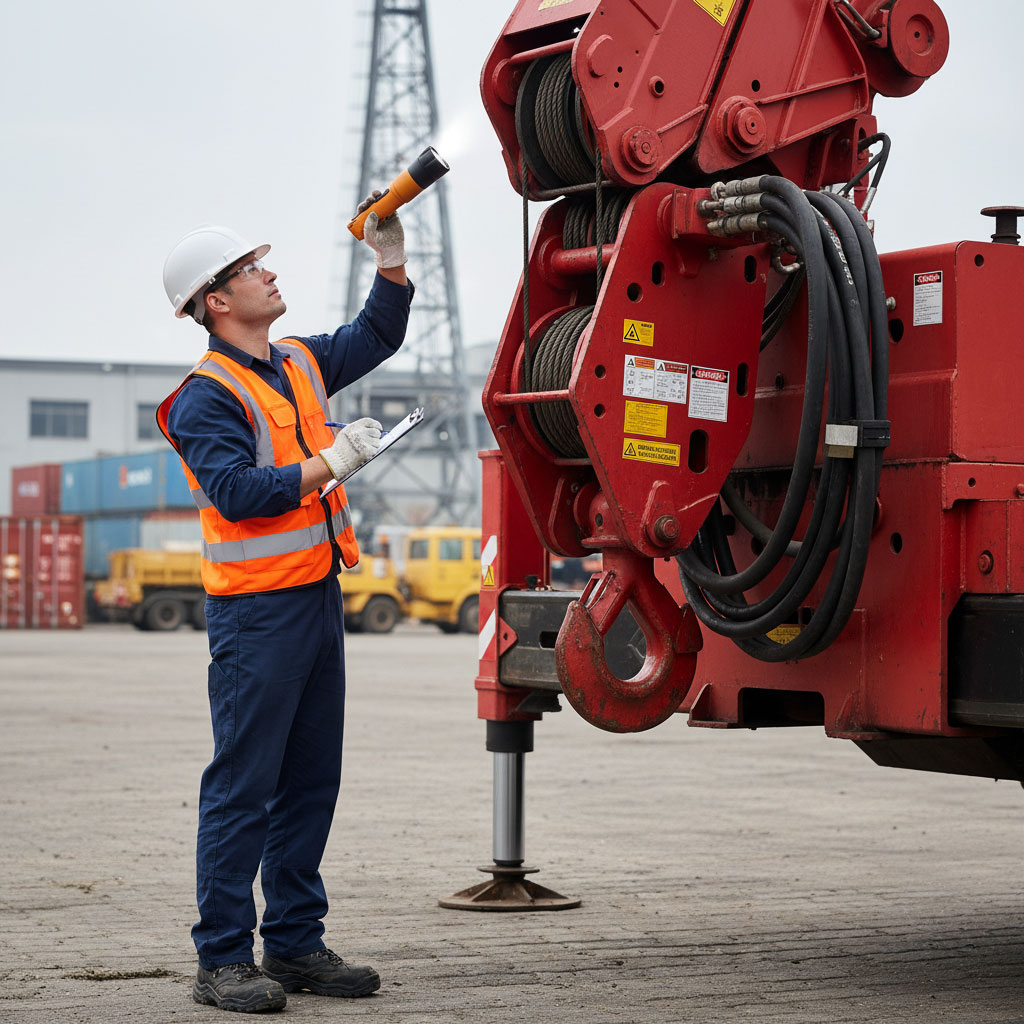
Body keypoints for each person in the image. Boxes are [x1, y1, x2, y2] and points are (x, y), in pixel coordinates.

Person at [157, 197, 410, 1013]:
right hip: (254, 616)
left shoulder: (297, 360)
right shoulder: (206, 396)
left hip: (315, 601)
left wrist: (392, 264)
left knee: (309, 780)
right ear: (216, 301)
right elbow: (235, 493)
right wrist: (328, 463)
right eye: (250, 268)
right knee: (243, 786)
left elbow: (376, 337)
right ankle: (223, 960)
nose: (270, 271)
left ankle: (296, 943)